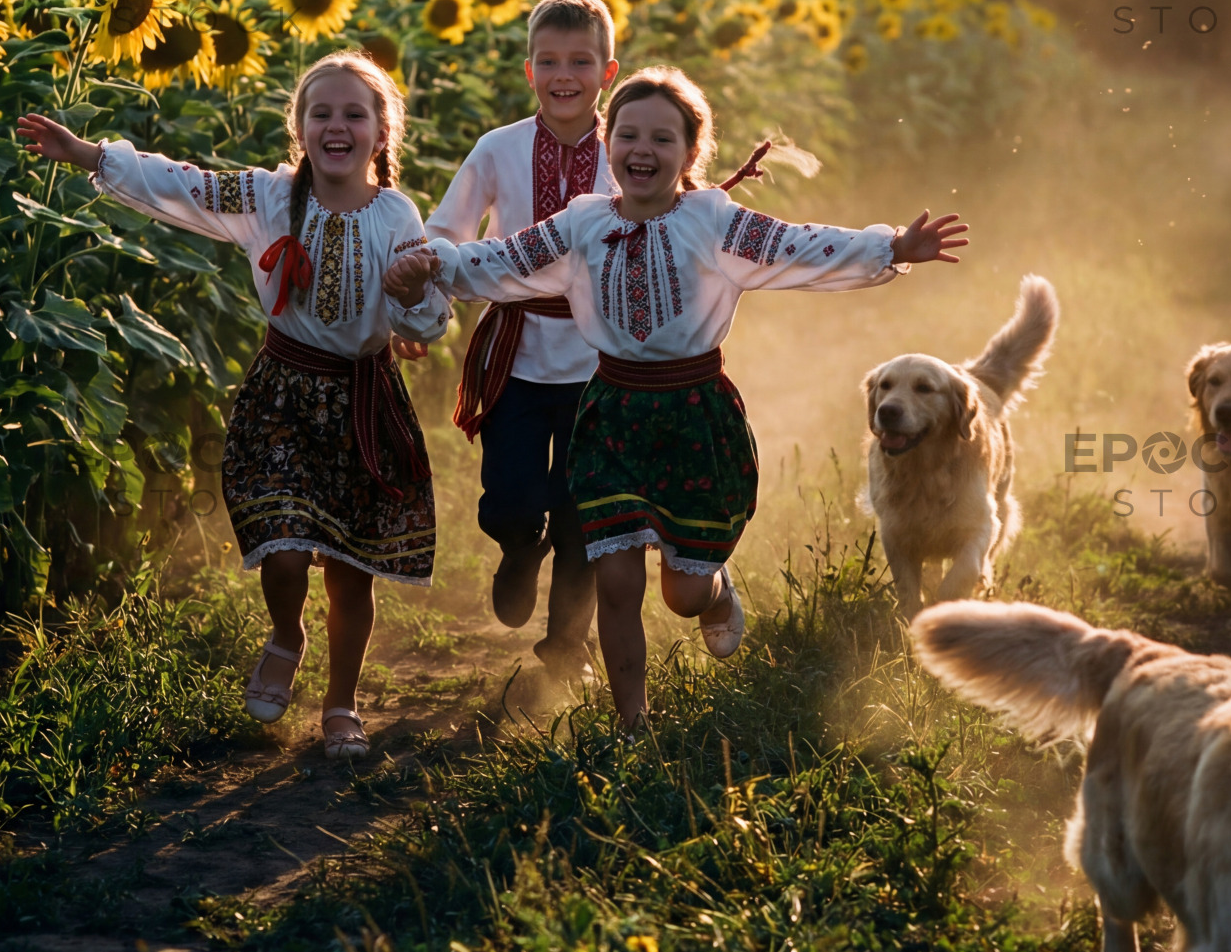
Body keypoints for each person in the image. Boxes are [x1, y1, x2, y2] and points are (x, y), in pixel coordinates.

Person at [384, 67, 966, 727]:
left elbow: (798, 244)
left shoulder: (713, 221)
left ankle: (714, 593)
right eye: (627, 133)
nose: (641, 148)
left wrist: (890, 245)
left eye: (662, 137)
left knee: (682, 593)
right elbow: (503, 259)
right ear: (609, 147)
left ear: (692, 152)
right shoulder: (580, 224)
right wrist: (434, 266)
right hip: (610, 417)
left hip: (695, 417)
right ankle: (633, 721)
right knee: (617, 579)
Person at [16, 53, 450, 760]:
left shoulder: (396, 213)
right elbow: (180, 182)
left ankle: (341, 702)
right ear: (299, 129)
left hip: (360, 404)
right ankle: (286, 633)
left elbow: (427, 320)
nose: (335, 125)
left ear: (381, 133)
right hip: (282, 391)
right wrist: (90, 153)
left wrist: (409, 292)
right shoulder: (269, 198)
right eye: (320, 113)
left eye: (353, 114)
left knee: (349, 568)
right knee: (280, 548)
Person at [423, 0, 617, 682]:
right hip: (517, 350)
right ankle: (515, 544)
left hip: (601, 360)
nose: (565, 74)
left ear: (608, 71)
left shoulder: (630, 153)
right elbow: (447, 229)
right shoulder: (497, 148)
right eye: (550, 60)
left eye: (581, 61)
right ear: (529, 71)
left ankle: (567, 650)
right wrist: (424, 294)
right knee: (509, 495)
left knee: (583, 515)